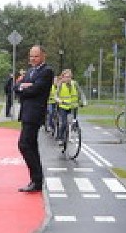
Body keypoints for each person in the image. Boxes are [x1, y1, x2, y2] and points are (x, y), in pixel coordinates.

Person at [15, 45, 55, 192]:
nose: (32, 59)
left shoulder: (46, 71)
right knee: (30, 145)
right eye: (31, 56)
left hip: (35, 113)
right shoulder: (31, 71)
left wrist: (24, 87)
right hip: (26, 112)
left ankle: (36, 179)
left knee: (24, 144)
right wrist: (23, 86)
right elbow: (16, 87)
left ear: (43, 56)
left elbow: (36, 90)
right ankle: (36, 179)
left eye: (36, 56)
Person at [55, 69, 87, 144]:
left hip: (73, 106)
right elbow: (56, 96)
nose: (67, 78)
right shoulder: (60, 85)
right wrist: (59, 100)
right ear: (62, 77)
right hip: (63, 106)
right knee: (64, 123)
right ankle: (60, 138)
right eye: (65, 77)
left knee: (74, 121)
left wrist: (83, 102)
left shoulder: (74, 84)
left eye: (69, 77)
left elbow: (81, 93)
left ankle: (71, 134)